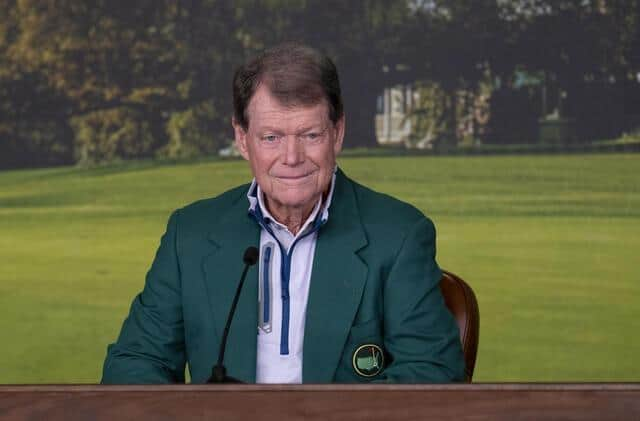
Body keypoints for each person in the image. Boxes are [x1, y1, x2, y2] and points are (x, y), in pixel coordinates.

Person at [101, 43, 464, 384]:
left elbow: (431, 372)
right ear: (242, 139)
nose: (291, 158)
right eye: (271, 137)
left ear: (337, 133)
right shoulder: (190, 235)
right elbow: (133, 365)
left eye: (309, 135)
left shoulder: (399, 235)